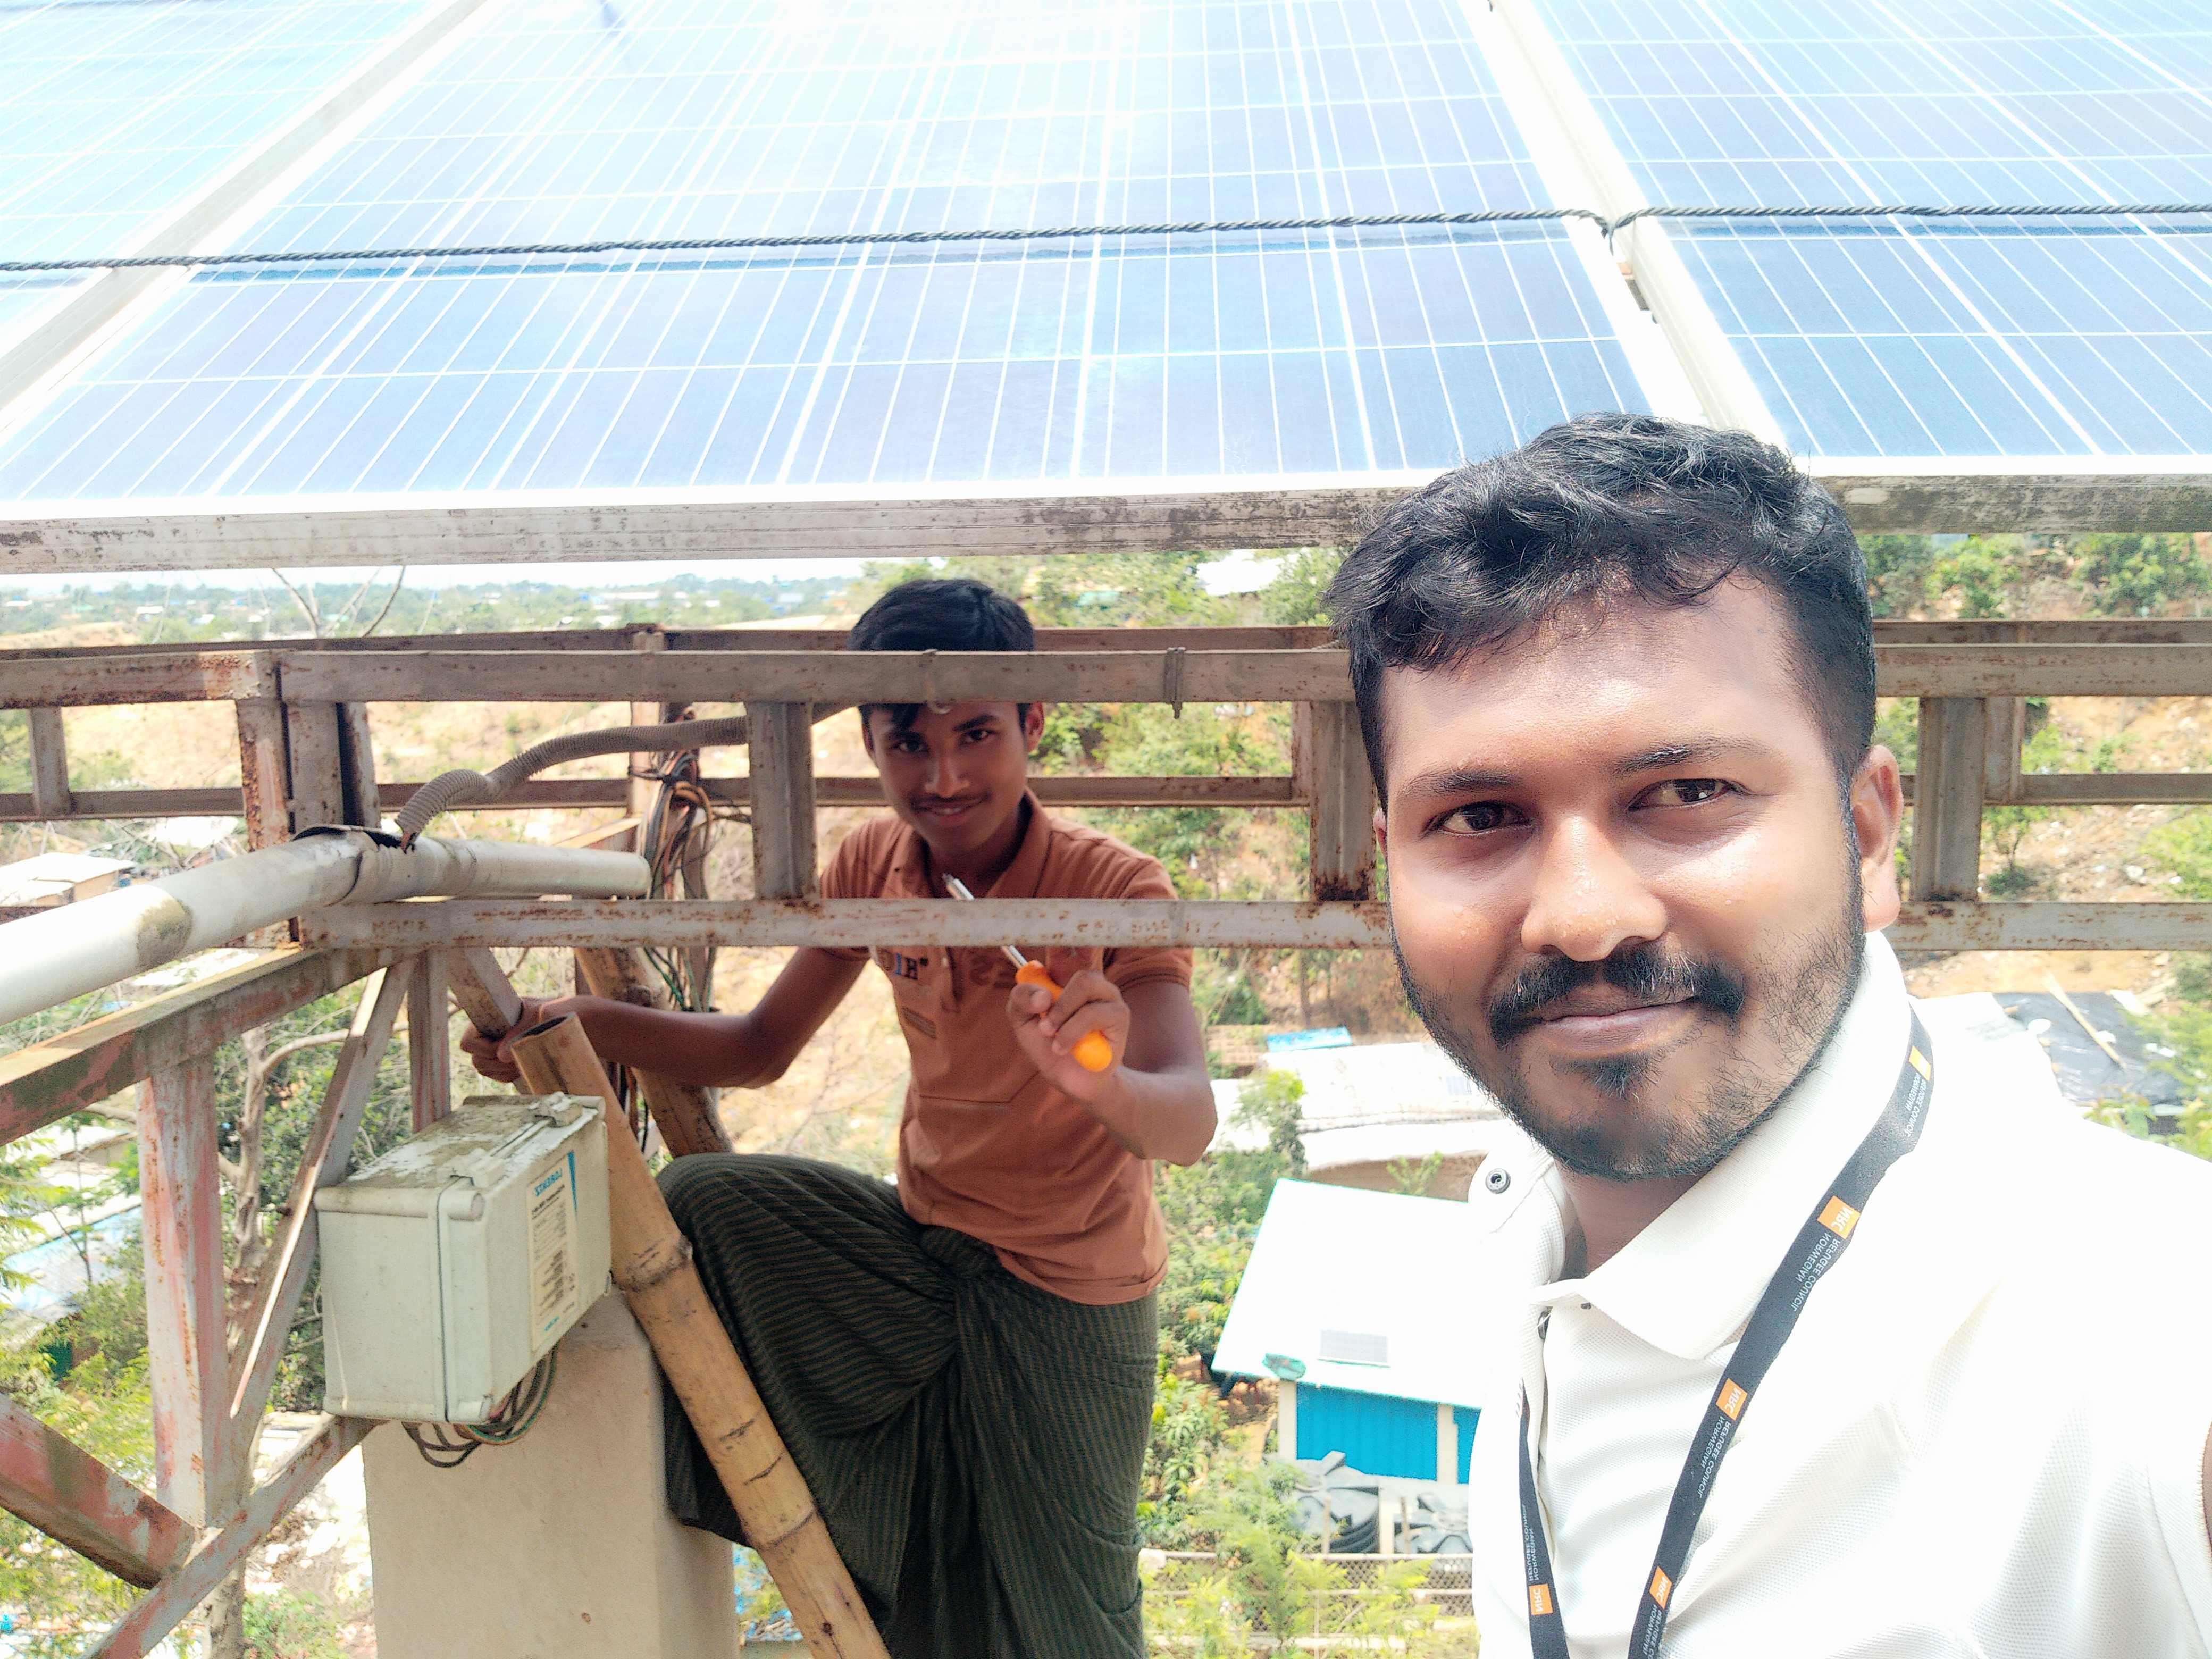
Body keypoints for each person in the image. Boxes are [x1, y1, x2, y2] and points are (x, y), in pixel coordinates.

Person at [1327, 413, 2212, 1657]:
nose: (1581, 916)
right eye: (1477, 817)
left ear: (1868, 833)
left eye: (1687, 794)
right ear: (1391, 866)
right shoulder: (1522, 1216)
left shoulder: (2119, 1320)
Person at [463, 577, 1215, 1658]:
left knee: (1075, 1617)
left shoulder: (1112, 889)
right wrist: (578, 1025)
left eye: (976, 734)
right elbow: (758, 1049)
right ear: (867, 742)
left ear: (1033, 724)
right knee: (709, 1203)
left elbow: (1188, 1121)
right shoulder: (872, 864)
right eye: (907, 742)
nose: (943, 777)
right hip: (922, 1251)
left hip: (1069, 1292)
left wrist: (1100, 1084)